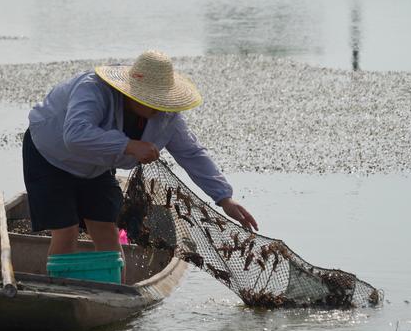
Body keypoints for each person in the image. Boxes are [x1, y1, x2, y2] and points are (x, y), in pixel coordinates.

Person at [22, 50, 258, 261]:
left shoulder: (166, 115)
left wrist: (224, 198)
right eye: (150, 99)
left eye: (161, 100)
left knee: (108, 231)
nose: (157, 108)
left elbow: (191, 153)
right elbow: (74, 135)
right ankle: (63, 289)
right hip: (50, 157)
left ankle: (112, 294)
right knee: (66, 231)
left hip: (97, 167)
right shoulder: (93, 88)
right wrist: (129, 145)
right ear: (131, 92)